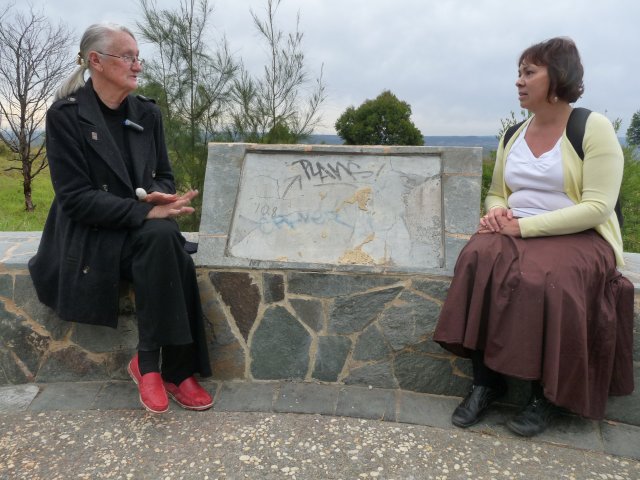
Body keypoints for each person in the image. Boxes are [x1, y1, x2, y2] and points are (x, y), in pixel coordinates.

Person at [433, 37, 634, 437]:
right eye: (519, 74)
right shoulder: (513, 134)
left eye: (529, 73)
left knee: (545, 278)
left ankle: (547, 396)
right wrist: (496, 212)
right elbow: (496, 192)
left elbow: (597, 206)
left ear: (557, 77)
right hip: (517, 227)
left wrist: (523, 227)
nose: (519, 82)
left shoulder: (592, 128)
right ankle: (486, 382)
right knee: (476, 256)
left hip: (581, 235)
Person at [28, 23, 213, 414]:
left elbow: (164, 175)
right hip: (91, 236)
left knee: (162, 237)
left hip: (141, 231)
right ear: (95, 60)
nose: (137, 66)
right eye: (127, 57)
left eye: (137, 57)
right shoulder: (67, 116)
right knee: (166, 241)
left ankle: (148, 364)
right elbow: (75, 200)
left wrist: (158, 195)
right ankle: (174, 370)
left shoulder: (147, 112)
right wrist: (146, 209)